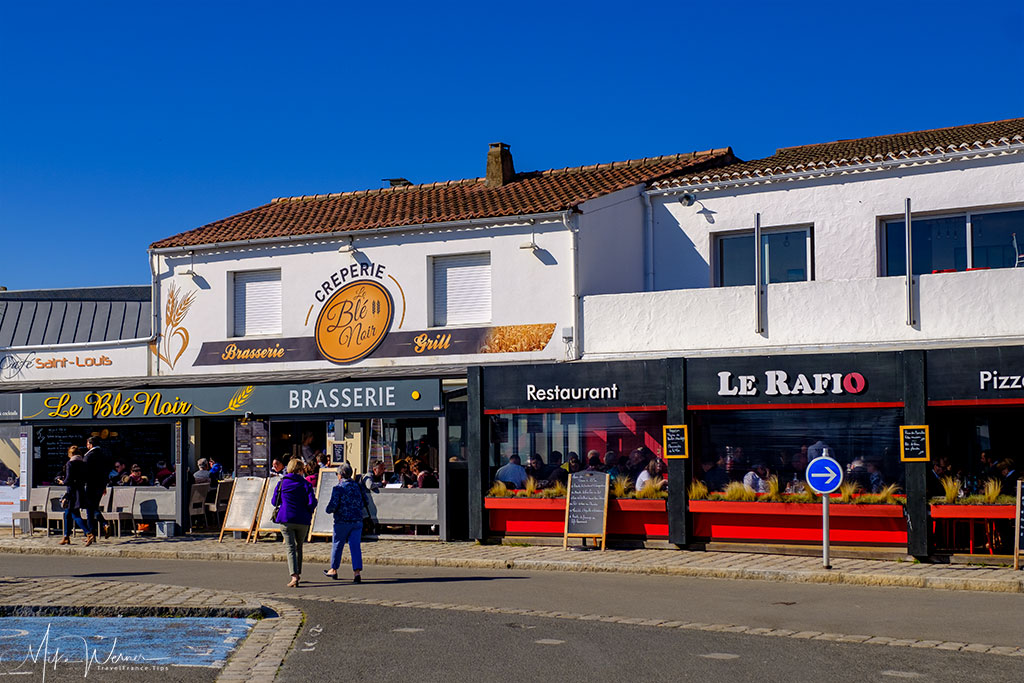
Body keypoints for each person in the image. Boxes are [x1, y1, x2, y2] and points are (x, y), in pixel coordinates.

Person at [271, 458, 317, 588]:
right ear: (301, 470)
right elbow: (312, 502)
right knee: (299, 547)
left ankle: (294, 576)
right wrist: (307, 512)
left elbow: (274, 502)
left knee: (290, 547)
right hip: (303, 520)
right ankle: (298, 573)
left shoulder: (282, 483)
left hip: (286, 519)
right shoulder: (305, 484)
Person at [324, 463, 365, 583]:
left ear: (341, 475)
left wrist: (328, 510)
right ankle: (357, 573)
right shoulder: (358, 486)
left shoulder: (338, 488)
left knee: (337, 544)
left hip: (342, 521)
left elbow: (333, 505)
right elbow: (364, 502)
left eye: (337, 474)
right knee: (355, 546)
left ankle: (334, 569)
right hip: (357, 520)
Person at [59, 446, 94, 546]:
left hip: (71, 492)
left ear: (70, 454)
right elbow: (86, 477)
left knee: (74, 514)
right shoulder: (83, 464)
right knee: (67, 514)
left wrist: (62, 481)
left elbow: (68, 479)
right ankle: (66, 536)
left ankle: (88, 533)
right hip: (80, 490)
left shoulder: (70, 463)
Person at [82, 436, 108, 539]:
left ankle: (93, 532)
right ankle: (100, 527)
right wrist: (104, 485)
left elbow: (84, 471)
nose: (86, 446)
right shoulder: (103, 454)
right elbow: (105, 471)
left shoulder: (88, 456)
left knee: (90, 509)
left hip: (91, 485)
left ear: (91, 444)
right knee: (94, 507)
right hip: (101, 485)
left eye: (87, 444)